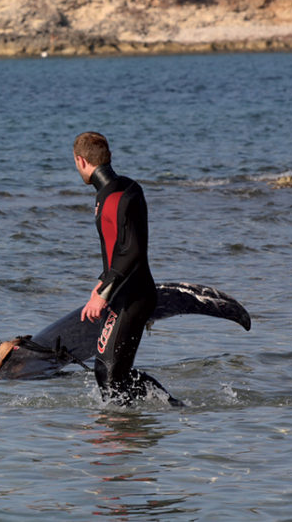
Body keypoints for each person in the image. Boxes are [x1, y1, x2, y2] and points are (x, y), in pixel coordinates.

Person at [73, 131, 176, 405]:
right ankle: (158, 412)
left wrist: (103, 292)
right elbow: (121, 248)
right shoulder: (124, 189)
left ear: (81, 161)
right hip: (133, 290)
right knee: (113, 374)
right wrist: (102, 280)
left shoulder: (112, 198)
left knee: (107, 373)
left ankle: (121, 436)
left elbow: (132, 251)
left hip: (131, 296)